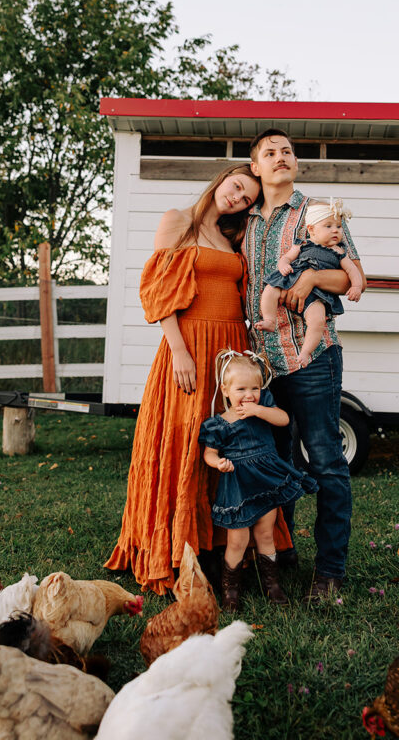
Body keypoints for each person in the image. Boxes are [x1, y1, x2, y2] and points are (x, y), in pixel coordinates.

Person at [104, 163, 291, 595]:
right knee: (187, 444)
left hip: (229, 351)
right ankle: (173, 550)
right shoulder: (178, 221)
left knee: (233, 443)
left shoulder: (230, 238)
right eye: (237, 186)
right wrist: (179, 351)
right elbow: (157, 290)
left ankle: (222, 552)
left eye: (246, 198)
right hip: (188, 346)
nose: (238, 198)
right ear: (222, 179)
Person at [242, 129, 366, 603]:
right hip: (264, 365)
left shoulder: (318, 212)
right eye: (269, 153)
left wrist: (312, 274)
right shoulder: (247, 220)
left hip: (312, 357)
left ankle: (330, 571)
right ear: (255, 167)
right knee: (276, 463)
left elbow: (354, 274)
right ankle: (283, 556)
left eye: (287, 151)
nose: (280, 158)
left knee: (327, 461)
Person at [199, 349, 318, 611]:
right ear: (225, 390)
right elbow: (209, 454)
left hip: (266, 483)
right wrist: (218, 463)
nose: (249, 395)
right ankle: (230, 591)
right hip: (238, 488)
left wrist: (259, 410)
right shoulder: (218, 424)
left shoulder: (262, 410)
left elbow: (284, 419)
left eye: (254, 388)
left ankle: (272, 585)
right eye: (241, 389)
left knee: (265, 534)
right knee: (237, 541)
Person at [255, 198, 363, 368]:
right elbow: (287, 257)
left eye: (338, 227)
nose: (335, 230)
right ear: (311, 229)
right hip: (292, 277)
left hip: (318, 293)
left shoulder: (339, 251)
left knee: (317, 321)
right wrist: (283, 265)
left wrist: (356, 286)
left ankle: (306, 352)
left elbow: (353, 271)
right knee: (270, 289)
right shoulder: (303, 243)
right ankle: (269, 319)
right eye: (328, 226)